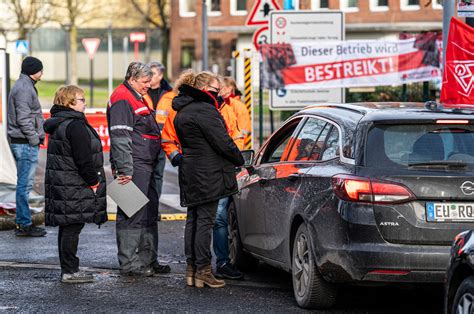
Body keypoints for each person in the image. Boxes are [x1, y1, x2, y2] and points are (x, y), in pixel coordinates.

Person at [172, 70, 244, 288]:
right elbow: (223, 142)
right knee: (205, 221)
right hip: (209, 172)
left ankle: (192, 269)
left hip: (191, 170)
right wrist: (239, 159)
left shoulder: (183, 110)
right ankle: (204, 270)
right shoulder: (205, 110)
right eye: (215, 89)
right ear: (204, 90)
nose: (219, 93)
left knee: (193, 220)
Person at [107, 62, 169, 276]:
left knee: (149, 211)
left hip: (145, 162)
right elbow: (120, 137)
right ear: (132, 78)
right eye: (144, 82)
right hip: (134, 163)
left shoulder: (135, 96)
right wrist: (125, 169)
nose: (148, 86)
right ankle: (130, 262)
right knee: (132, 211)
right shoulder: (123, 98)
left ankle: (147, 259)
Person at [43, 85, 107, 283]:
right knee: (72, 227)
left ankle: (68, 268)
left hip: (63, 183)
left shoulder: (59, 123)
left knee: (68, 226)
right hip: (74, 184)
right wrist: (94, 182)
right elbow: (83, 159)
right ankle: (70, 271)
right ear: (70, 102)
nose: (84, 103)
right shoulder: (75, 125)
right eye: (81, 100)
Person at [7, 56, 47, 237]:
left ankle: (24, 222)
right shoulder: (24, 89)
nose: (42, 73)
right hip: (24, 143)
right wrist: (34, 138)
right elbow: (23, 119)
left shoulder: (25, 85)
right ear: (34, 71)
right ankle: (23, 224)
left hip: (24, 142)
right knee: (24, 186)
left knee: (24, 185)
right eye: (41, 69)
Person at [147, 62, 173, 237]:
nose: (151, 76)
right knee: (142, 176)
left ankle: (153, 209)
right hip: (144, 142)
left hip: (161, 142)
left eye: (154, 73)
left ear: (161, 76)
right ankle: (143, 209)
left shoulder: (170, 95)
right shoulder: (142, 91)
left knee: (157, 176)